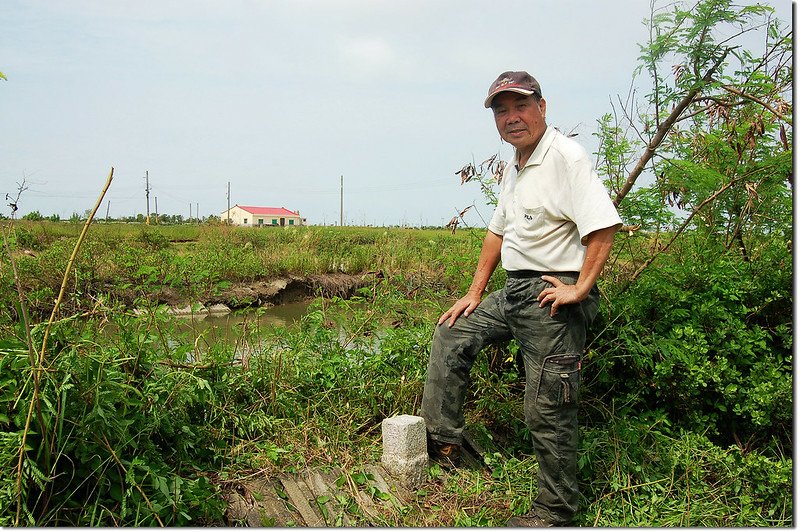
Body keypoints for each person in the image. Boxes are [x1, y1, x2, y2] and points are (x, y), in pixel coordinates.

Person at [420, 71, 622, 527]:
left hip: (550, 296)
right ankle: (446, 444)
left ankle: (556, 512)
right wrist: (474, 294)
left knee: (547, 407)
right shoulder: (516, 164)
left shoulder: (566, 157)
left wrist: (581, 287)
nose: (512, 118)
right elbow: (497, 232)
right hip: (513, 290)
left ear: (542, 107)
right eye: (501, 110)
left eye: (520, 106)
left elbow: (604, 225)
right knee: (452, 332)